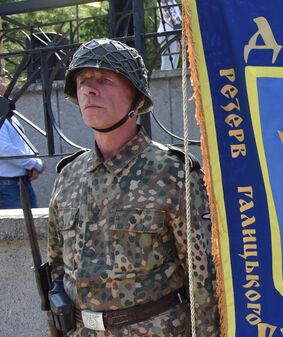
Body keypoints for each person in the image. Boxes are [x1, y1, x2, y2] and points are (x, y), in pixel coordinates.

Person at [47, 38, 218, 336]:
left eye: (103, 79)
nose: (89, 89)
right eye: (83, 81)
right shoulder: (69, 175)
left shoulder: (172, 173)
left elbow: (203, 280)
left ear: (137, 98)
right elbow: (57, 270)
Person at [0, 80, 44, 209]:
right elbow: (4, 149)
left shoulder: (6, 112)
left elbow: (20, 144)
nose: (4, 84)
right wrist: (35, 164)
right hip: (6, 184)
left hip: (17, 181)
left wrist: (31, 164)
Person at [157, 0, 182, 71]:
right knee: (168, 64)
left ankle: (168, 81)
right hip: (168, 32)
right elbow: (173, 17)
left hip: (172, 32)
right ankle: (163, 82)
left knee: (173, 63)